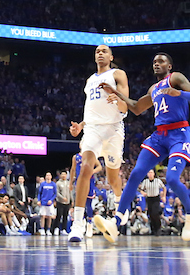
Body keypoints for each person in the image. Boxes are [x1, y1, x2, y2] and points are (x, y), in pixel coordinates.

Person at [93, 52, 190, 244]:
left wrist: (180, 93)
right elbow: (136, 107)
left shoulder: (175, 78)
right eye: (154, 62)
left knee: (171, 178)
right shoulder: (154, 88)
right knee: (136, 173)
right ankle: (116, 221)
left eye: (161, 61)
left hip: (179, 133)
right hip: (160, 135)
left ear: (169, 66)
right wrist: (116, 92)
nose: (156, 64)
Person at [67, 45, 128, 242]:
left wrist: (116, 97)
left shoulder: (118, 74)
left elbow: (125, 105)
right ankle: (78, 225)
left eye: (104, 51)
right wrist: (81, 126)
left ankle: (120, 201)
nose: (100, 53)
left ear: (111, 56)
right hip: (92, 129)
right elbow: (91, 108)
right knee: (85, 167)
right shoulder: (90, 80)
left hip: (113, 129)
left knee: (112, 177)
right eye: (97, 51)